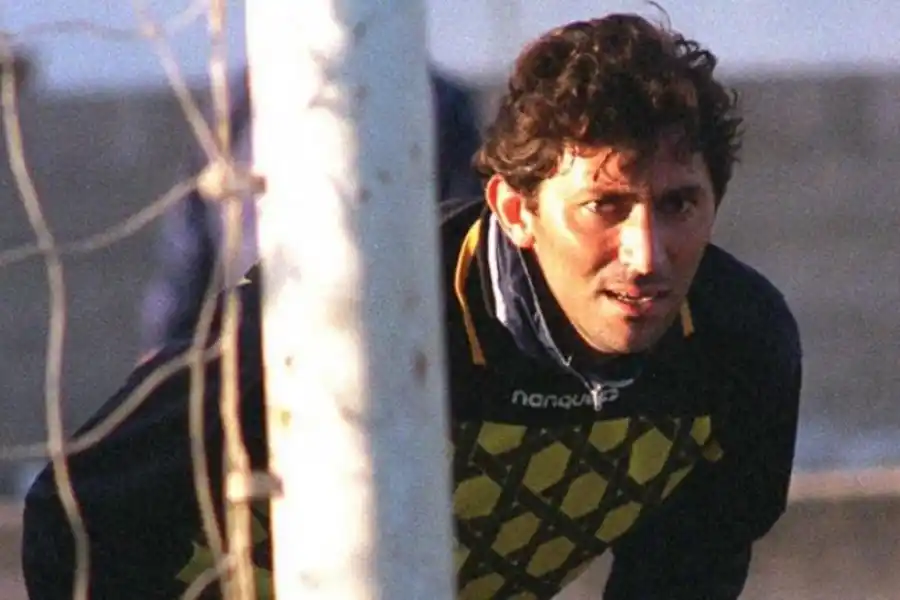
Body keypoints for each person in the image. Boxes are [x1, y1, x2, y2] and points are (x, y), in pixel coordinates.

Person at [22, 13, 803, 600]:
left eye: (679, 204)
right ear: (516, 210)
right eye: (605, 206)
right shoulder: (350, 315)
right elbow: (73, 515)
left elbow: (688, 569)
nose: (648, 254)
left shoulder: (740, 350)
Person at [139, 66, 483, 354]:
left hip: (402, 338)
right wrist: (164, 348)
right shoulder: (237, 106)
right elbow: (186, 254)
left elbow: (463, 232)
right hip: (263, 338)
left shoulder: (434, 102)